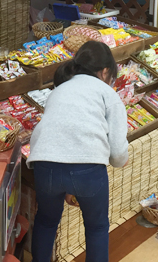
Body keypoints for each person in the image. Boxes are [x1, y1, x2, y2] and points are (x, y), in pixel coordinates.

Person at [27, 41, 129, 262]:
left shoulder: (59, 90)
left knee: (45, 221)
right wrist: (120, 160)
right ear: (104, 72)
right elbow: (119, 153)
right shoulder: (108, 94)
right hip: (88, 168)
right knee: (97, 227)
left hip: (45, 163)